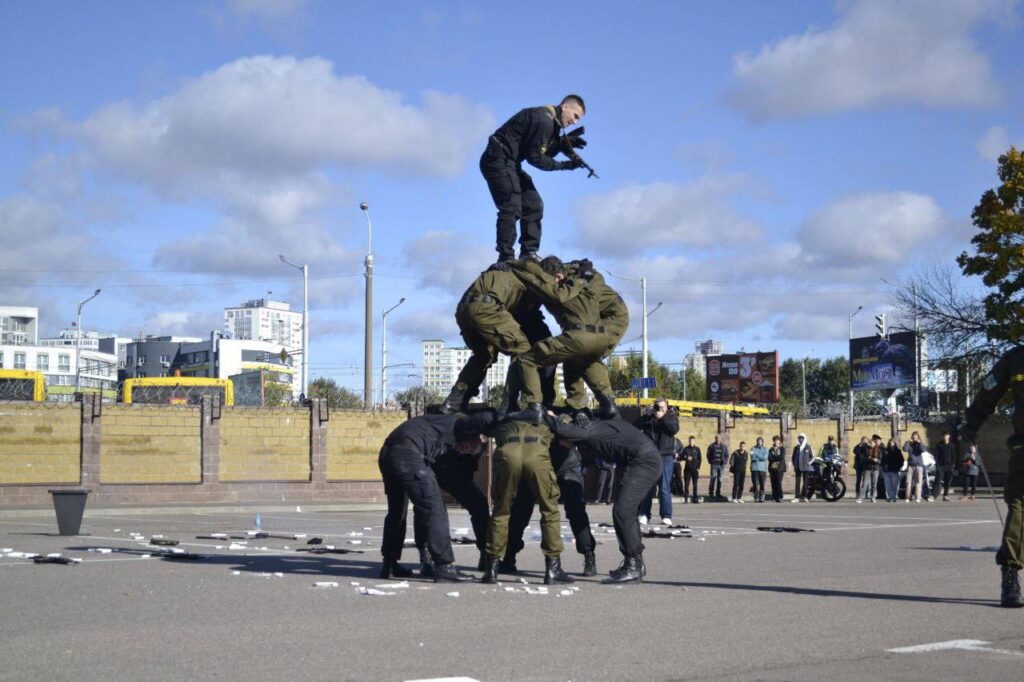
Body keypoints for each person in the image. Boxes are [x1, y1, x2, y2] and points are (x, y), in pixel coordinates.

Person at [378, 411, 495, 582]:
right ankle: (443, 565)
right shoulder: (462, 427)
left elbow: (465, 485)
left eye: (470, 451)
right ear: (473, 435)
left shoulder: (456, 449)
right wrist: (504, 414)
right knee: (434, 507)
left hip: (390, 453)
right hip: (408, 452)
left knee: (397, 511)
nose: (466, 450)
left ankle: (389, 564)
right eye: (469, 445)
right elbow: (485, 418)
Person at [546, 411, 663, 583]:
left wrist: (545, 414)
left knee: (623, 511)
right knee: (626, 512)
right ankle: (635, 563)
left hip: (645, 461)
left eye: (561, 439)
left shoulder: (586, 431)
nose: (561, 444)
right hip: (641, 459)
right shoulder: (593, 429)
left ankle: (634, 566)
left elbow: (565, 430)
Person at [506, 256, 617, 422]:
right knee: (584, 362)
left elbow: (532, 277)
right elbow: (597, 277)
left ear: (557, 277)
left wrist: (511, 264)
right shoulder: (589, 284)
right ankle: (608, 404)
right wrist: (582, 270)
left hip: (579, 336)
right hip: (601, 338)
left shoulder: (557, 291)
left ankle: (533, 406)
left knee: (526, 360)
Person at [481, 95, 587, 262]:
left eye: (578, 120)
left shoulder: (552, 123)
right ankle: (506, 256)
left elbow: (541, 150)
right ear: (565, 106)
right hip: (497, 160)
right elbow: (536, 158)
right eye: (575, 116)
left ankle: (528, 253)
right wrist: (565, 165)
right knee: (512, 205)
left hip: (511, 164)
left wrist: (561, 144)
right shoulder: (543, 119)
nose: (575, 122)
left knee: (533, 204)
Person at [441, 263, 553, 414]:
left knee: (483, 356)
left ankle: (453, 402)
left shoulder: (510, 271)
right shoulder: (537, 278)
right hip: (487, 308)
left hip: (464, 309)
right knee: (523, 352)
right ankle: (509, 403)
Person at [960, 346, 1024, 608]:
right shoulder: (1016, 359)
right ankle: (1010, 574)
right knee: (1020, 508)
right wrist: (970, 424)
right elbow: (988, 392)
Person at [481, 419, 574, 586]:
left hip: (508, 452)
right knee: (549, 510)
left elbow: (485, 428)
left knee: (501, 511)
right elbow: (570, 431)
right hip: (537, 454)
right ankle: (553, 569)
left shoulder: (507, 418)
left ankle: (491, 569)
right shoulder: (545, 418)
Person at [502, 441, 597, 577]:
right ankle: (509, 556)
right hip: (538, 462)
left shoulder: (569, 420)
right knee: (521, 509)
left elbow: (581, 433)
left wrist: (575, 430)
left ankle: (589, 555)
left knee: (575, 510)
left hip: (565, 464)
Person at [563, 263, 628, 411]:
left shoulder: (574, 284)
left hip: (613, 317)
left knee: (585, 353)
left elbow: (595, 279)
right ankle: (575, 404)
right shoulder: (564, 275)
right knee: (570, 354)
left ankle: (607, 402)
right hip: (594, 318)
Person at [635, 398, 680, 525]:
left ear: (666, 407)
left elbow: (673, 430)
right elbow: (635, 426)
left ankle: (666, 515)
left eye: (661, 407)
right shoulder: (649, 418)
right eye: (657, 407)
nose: (659, 410)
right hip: (650, 456)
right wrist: (646, 415)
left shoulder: (671, 416)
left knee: (664, 487)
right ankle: (644, 514)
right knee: (648, 486)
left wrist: (663, 417)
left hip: (665, 456)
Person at [933, 431, 958, 501]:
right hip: (941, 466)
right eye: (944, 435)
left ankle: (945, 496)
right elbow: (936, 455)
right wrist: (937, 465)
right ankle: (933, 496)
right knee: (938, 481)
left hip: (949, 466)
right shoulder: (939, 445)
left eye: (946, 435)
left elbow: (954, 455)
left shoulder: (952, 445)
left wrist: (953, 464)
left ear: (949, 436)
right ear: (942, 437)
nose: (945, 437)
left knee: (948, 481)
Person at [859, 434, 882, 503]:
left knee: (874, 484)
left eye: (872, 443)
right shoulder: (866, 449)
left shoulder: (878, 450)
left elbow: (881, 460)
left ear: (875, 444)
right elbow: (861, 456)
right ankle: (860, 498)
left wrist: (877, 460)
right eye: (870, 443)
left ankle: (873, 497)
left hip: (875, 468)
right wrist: (867, 458)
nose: (871, 444)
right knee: (864, 484)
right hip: (867, 468)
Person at [904, 431, 926, 502]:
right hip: (910, 465)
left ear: (918, 437)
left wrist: (920, 443)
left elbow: (923, 450)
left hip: (918, 465)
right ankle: (908, 497)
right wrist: (907, 442)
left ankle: (918, 497)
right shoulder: (909, 443)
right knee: (908, 482)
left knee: (918, 482)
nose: (914, 437)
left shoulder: (920, 444)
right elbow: (905, 449)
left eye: (916, 436)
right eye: (913, 436)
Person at [680, 435, 703, 504]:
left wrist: (698, 468)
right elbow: (681, 457)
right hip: (687, 470)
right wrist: (686, 457)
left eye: (692, 441)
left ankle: (695, 499)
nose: (691, 442)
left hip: (695, 469)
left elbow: (700, 459)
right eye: (690, 441)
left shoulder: (697, 449)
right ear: (688, 441)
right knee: (686, 485)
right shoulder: (686, 449)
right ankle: (686, 499)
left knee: (695, 485)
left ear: (694, 441)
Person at [792, 434, 814, 502]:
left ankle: (805, 496)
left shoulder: (808, 447)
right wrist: (795, 464)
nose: (800, 440)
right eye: (799, 438)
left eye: (802, 438)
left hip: (806, 467)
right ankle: (797, 497)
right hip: (798, 467)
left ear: (804, 439)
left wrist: (809, 463)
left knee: (806, 483)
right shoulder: (796, 447)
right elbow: (793, 457)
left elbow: (812, 457)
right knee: (797, 483)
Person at [881, 437, 904, 502]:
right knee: (888, 485)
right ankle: (892, 497)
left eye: (893, 442)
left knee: (895, 485)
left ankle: (893, 497)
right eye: (890, 442)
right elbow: (882, 460)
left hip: (895, 470)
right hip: (887, 470)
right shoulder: (885, 451)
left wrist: (899, 467)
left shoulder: (898, 451)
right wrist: (883, 466)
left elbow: (901, 460)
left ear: (895, 443)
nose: (891, 443)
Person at [706, 434, 728, 501]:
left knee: (719, 480)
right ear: (715, 439)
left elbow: (726, 455)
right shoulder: (711, 446)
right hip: (714, 465)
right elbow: (708, 455)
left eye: (719, 438)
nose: (718, 439)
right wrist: (711, 462)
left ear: (721, 439)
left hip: (721, 465)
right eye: (717, 438)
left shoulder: (724, 447)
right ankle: (711, 493)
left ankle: (718, 493)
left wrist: (724, 463)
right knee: (713, 479)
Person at [747, 437, 768, 503]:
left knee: (762, 484)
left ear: (762, 442)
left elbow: (764, 458)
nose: (759, 442)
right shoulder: (753, 448)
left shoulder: (765, 449)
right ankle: (756, 497)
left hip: (762, 469)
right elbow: (752, 458)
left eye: (760, 441)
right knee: (755, 484)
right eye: (758, 441)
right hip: (754, 468)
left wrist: (756, 454)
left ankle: (762, 497)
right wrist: (759, 456)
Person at [767, 435, 787, 502]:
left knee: (778, 482)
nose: (776, 442)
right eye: (775, 440)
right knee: (773, 483)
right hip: (772, 468)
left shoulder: (782, 449)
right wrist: (776, 457)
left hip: (780, 468)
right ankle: (774, 497)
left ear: (779, 441)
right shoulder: (771, 449)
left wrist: (774, 457)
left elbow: (781, 457)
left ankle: (780, 497)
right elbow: (769, 458)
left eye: (777, 440)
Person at [852, 436, 869, 501]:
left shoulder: (868, 446)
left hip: (866, 466)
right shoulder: (858, 446)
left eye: (866, 440)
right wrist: (860, 445)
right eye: (863, 440)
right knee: (858, 480)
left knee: (865, 481)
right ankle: (857, 493)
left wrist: (867, 445)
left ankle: (866, 493)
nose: (865, 441)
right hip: (859, 466)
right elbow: (855, 452)